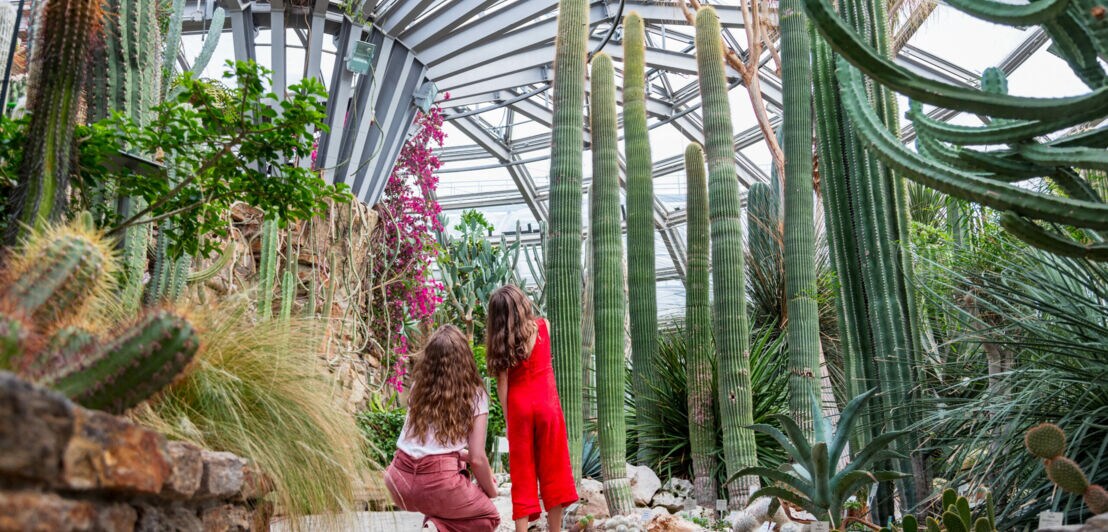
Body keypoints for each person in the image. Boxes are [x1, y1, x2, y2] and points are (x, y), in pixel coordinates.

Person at [384, 325, 500, 532]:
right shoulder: (475, 394)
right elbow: (477, 458)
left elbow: (431, 448)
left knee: (442, 499)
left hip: (397, 481)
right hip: (437, 485)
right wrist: (491, 491)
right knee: (487, 516)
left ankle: (435, 524)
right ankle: (436, 526)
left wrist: (461, 458)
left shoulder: (419, 386)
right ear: (465, 358)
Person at [486, 285, 578, 532]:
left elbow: (503, 385)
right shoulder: (543, 326)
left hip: (519, 409)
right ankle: (555, 530)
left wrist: (509, 421)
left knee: (522, 475)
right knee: (554, 470)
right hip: (547, 405)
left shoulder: (501, 344)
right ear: (522, 304)